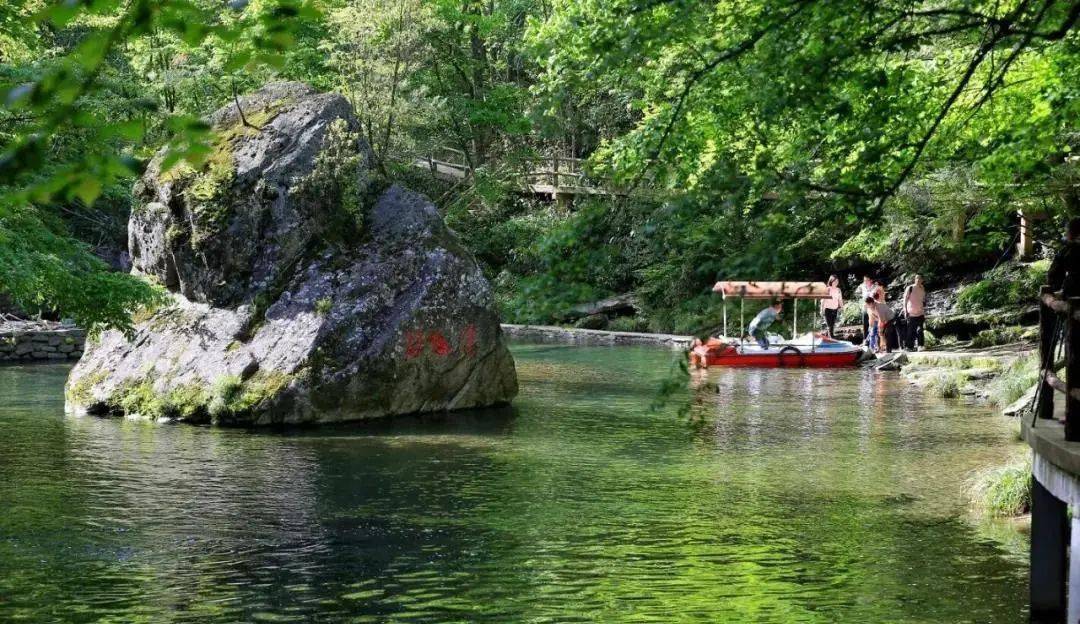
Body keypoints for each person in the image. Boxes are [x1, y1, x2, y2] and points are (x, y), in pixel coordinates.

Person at [1048, 217, 1080, 297]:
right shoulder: (1068, 249)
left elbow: (1053, 274)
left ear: (1069, 233)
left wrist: (1056, 291)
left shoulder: (1068, 250)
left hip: (1074, 292)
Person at [903, 275, 927, 350]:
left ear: (922, 280)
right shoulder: (910, 288)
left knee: (920, 330)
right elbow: (905, 299)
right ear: (915, 279)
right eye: (917, 278)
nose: (918, 280)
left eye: (920, 278)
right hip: (911, 313)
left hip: (920, 312)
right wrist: (905, 310)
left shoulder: (922, 288)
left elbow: (923, 299)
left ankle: (920, 345)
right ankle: (909, 347)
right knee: (911, 331)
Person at [856, 275, 876, 344]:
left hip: (873, 308)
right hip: (865, 307)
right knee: (865, 324)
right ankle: (865, 340)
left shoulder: (874, 287)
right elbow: (857, 292)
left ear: (870, 280)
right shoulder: (862, 286)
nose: (865, 282)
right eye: (864, 280)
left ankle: (873, 341)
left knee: (873, 324)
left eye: (866, 280)